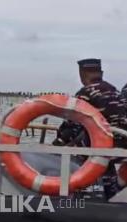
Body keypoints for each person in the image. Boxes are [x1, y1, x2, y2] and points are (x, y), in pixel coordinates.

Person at [53, 58, 127, 199]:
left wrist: (57, 145)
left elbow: (70, 128)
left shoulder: (86, 93)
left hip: (100, 151)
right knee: (107, 181)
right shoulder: (116, 91)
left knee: (80, 159)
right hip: (120, 149)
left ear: (82, 74)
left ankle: (85, 202)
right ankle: (107, 199)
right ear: (101, 73)